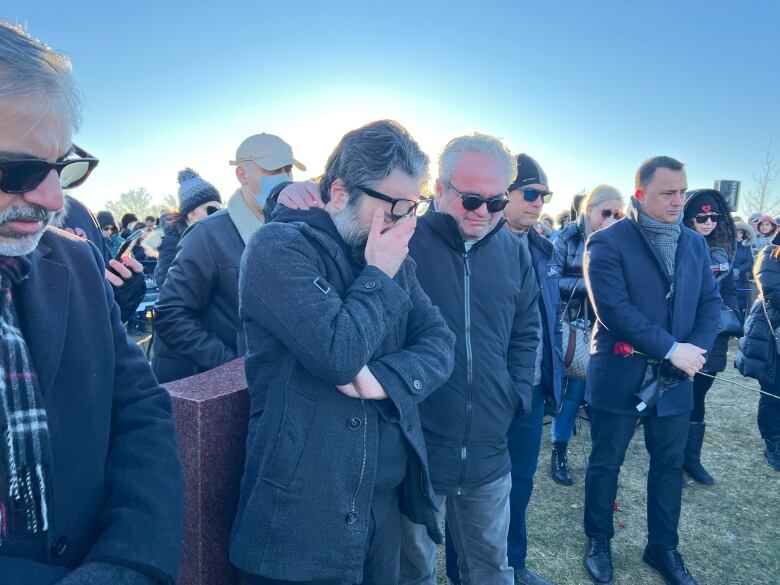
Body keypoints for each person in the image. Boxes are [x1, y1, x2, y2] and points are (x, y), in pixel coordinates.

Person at [273, 132, 540, 585]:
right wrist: (293, 196)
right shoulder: (401, 237)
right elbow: (338, 227)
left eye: (496, 203)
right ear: (438, 190)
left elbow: (527, 333)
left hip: (489, 450)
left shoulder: (514, 252)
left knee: (491, 569)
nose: (483, 213)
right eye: (471, 199)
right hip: (417, 450)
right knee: (412, 571)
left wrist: (515, 395)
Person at [230, 120, 455, 584]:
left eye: (412, 207)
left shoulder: (389, 256)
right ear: (338, 191)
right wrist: (379, 273)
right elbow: (338, 353)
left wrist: (384, 381)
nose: (402, 221)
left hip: (382, 507)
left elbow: (440, 342)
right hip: (300, 523)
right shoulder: (278, 249)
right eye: (392, 205)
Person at [0, 18, 182, 584]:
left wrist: (130, 562)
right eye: (20, 169)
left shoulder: (74, 262)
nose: (54, 198)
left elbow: (140, 413)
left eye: (63, 167)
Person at [582, 156, 720, 585]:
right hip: (621, 375)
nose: (680, 201)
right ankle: (599, 540)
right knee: (607, 462)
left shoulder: (694, 243)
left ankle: (663, 547)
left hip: (677, 379)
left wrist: (693, 350)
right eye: (668, 192)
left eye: (683, 191)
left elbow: (710, 302)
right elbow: (613, 311)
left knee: (669, 464)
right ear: (641, 195)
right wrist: (671, 348)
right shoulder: (607, 243)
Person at [445, 153, 563, 585]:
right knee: (468, 494)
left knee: (519, 487)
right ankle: (463, 571)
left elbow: (535, 328)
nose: (538, 203)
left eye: (544, 196)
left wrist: (529, 388)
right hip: (476, 402)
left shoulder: (544, 250)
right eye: (530, 193)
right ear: (505, 193)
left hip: (525, 396)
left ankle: (514, 566)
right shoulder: (462, 244)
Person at [154, 134, 303, 383]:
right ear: (242, 175)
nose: (285, 178)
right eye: (273, 169)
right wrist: (233, 365)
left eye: (288, 169)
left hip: (277, 382)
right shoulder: (208, 235)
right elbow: (170, 314)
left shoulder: (292, 228)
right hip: (230, 386)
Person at [549, 184, 624, 485]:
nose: (610, 219)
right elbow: (551, 282)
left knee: (601, 393)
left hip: (608, 327)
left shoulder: (621, 239)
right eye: (605, 212)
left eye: (617, 213)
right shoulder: (566, 238)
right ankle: (559, 449)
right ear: (588, 211)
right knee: (571, 392)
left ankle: (603, 456)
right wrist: (592, 287)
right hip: (573, 326)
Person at [680, 189, 740, 485]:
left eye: (713, 217)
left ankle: (691, 458)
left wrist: (730, 315)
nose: (708, 223)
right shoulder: (678, 245)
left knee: (699, 395)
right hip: (682, 332)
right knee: (677, 394)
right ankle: (671, 456)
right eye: (701, 217)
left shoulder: (724, 249)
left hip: (712, 335)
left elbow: (729, 289)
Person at [736, 235, 780, 471]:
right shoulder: (770, 254)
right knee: (774, 391)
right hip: (772, 335)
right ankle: (773, 442)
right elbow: (773, 289)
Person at [153, 168, 222, 288]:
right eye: (211, 210)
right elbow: (165, 283)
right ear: (190, 212)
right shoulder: (171, 241)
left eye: (219, 210)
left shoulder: (217, 234)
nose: (216, 214)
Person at [733, 220, 756, 316]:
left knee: (740, 304)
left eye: (741, 232)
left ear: (744, 234)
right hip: (726, 278)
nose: (738, 234)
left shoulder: (746, 247)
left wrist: (739, 270)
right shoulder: (728, 245)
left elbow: (750, 262)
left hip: (741, 280)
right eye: (736, 231)